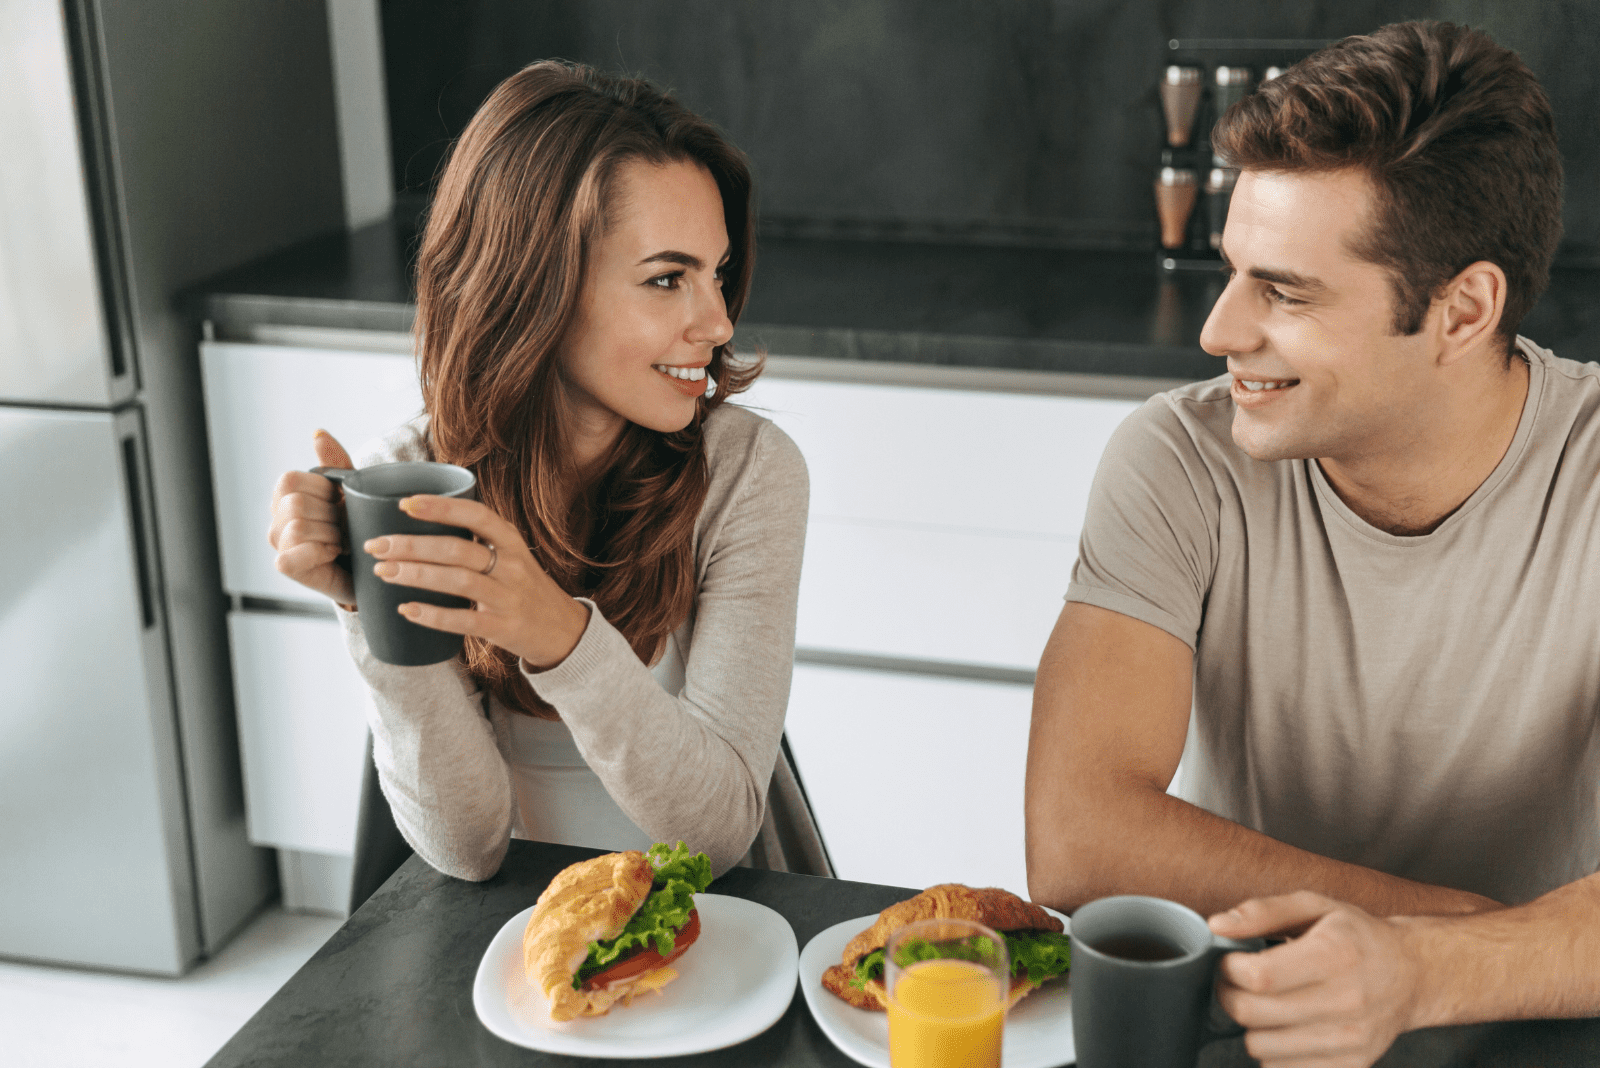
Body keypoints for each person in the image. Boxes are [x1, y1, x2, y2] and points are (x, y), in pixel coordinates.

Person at [1024, 21, 1600, 1066]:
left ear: (1463, 309)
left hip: (1528, 1025)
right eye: (1233, 269)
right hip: (1257, 1012)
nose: (1217, 330)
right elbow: (1077, 835)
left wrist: (1426, 970)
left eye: (1284, 292)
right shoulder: (1177, 459)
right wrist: (1456, 928)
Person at [267, 61, 826, 882]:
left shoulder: (749, 472)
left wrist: (558, 637)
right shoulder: (412, 482)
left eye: (717, 272)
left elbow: (716, 834)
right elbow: (466, 847)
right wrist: (366, 602)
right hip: (510, 943)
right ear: (534, 284)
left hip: (718, 928)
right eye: (667, 279)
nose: (716, 322)